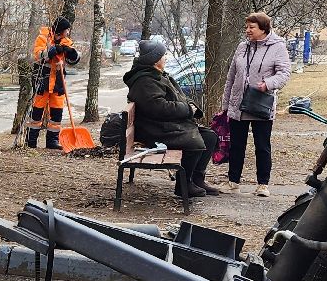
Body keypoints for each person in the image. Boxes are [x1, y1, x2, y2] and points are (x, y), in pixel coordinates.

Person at [123, 37, 219, 199]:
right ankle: (183, 185)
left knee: (210, 137)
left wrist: (191, 108)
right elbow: (157, 108)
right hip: (154, 129)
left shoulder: (157, 76)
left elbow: (177, 96)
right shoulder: (145, 81)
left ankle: (196, 179)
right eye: (163, 55)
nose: (165, 58)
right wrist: (186, 109)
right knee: (194, 143)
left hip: (163, 124)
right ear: (155, 60)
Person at [220, 11, 292, 196]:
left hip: (261, 104)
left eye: (252, 27)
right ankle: (233, 181)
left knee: (262, 145)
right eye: (247, 27)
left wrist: (268, 84)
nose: (248, 30)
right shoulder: (242, 47)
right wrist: (226, 104)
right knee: (237, 145)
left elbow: (284, 74)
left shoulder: (277, 47)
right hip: (238, 104)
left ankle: (263, 185)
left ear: (263, 28)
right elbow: (231, 76)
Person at [25, 16, 82, 149]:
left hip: (58, 82)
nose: (68, 32)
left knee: (56, 114)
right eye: (66, 30)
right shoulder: (43, 38)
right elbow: (38, 55)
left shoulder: (66, 42)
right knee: (36, 113)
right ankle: (31, 141)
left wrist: (72, 53)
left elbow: (74, 60)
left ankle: (52, 141)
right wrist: (52, 51)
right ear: (59, 31)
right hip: (42, 80)